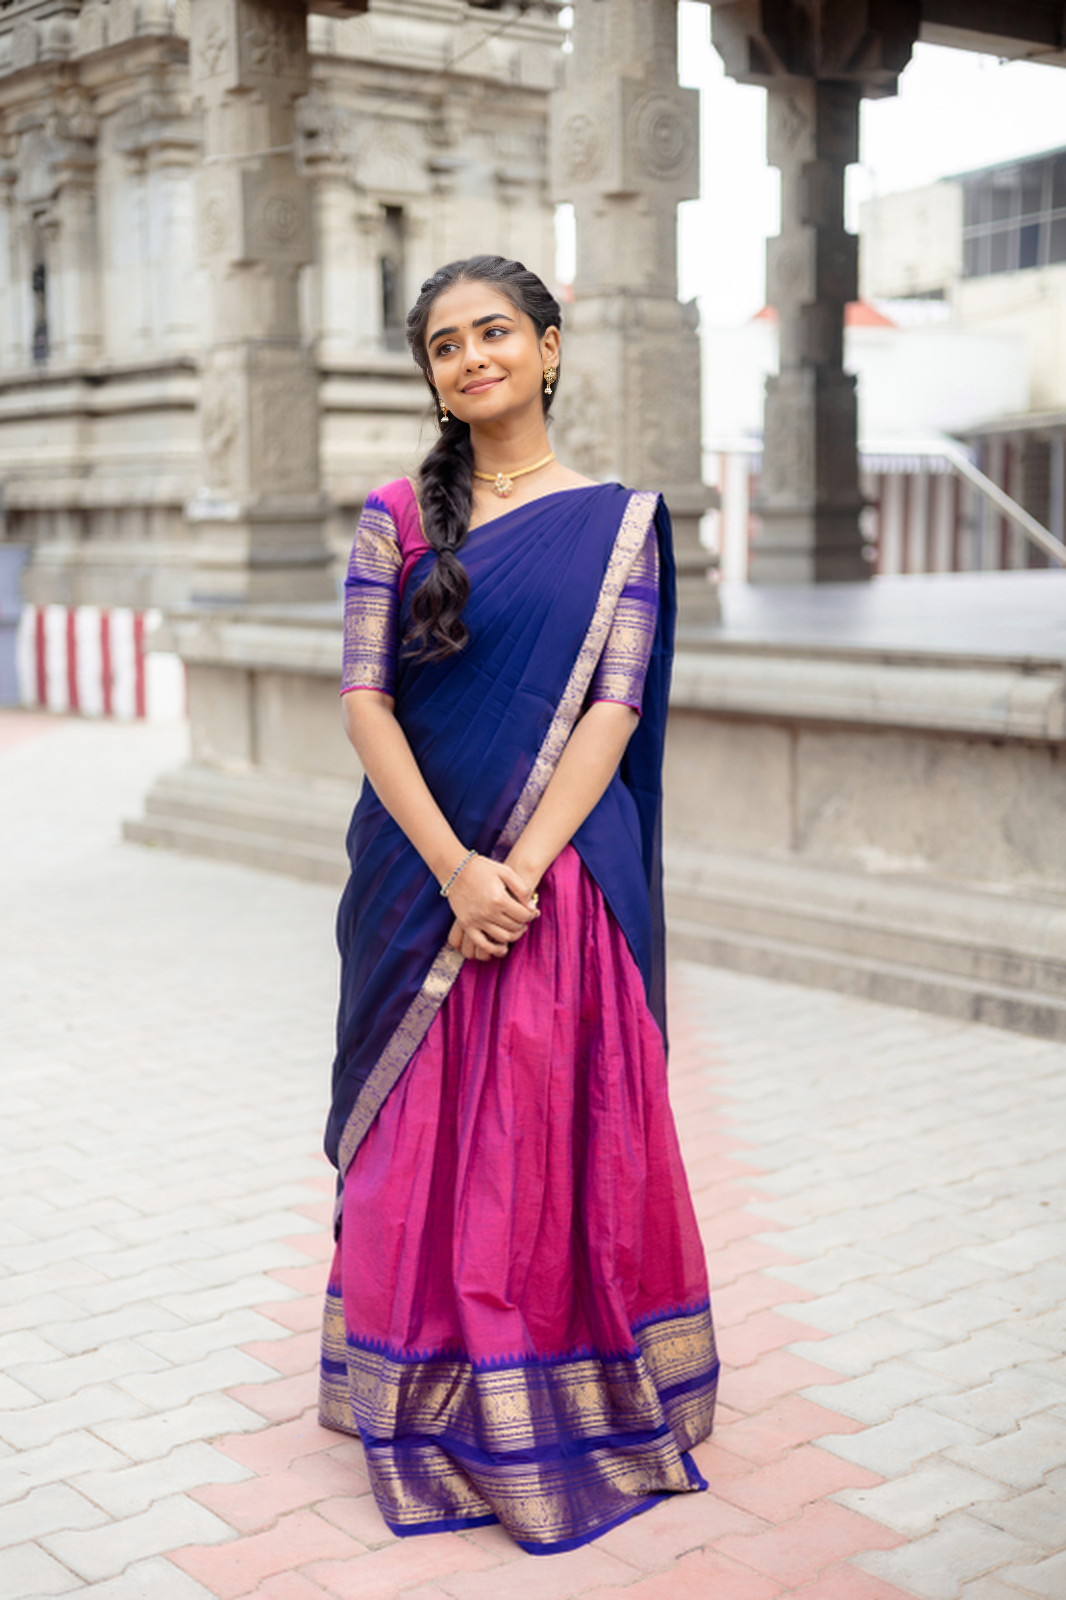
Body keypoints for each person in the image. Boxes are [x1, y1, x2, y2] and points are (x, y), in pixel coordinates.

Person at [319, 255, 717, 1554]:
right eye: (445, 343)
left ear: (549, 348)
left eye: (495, 332)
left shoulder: (616, 521)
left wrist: (523, 869)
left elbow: (613, 702)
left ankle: (566, 1377)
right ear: (431, 376)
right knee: (418, 1139)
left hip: (556, 886)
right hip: (419, 874)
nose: (471, 356)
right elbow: (366, 699)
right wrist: (452, 871)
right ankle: (423, 1374)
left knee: (551, 1138)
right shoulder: (393, 515)